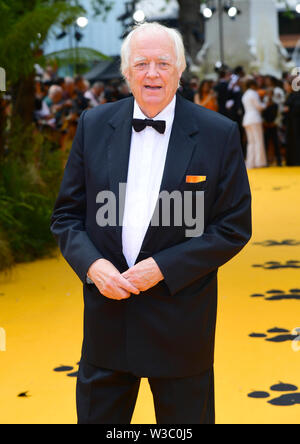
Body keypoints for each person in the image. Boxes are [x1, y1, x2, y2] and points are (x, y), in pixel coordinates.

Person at [50, 22, 252, 425]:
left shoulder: (218, 134)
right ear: (126, 72)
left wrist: (164, 268)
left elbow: (232, 226)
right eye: (141, 64)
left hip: (181, 325)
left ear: (180, 70)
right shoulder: (93, 125)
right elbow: (67, 216)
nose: (152, 74)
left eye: (163, 63)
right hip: (107, 321)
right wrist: (92, 266)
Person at [242, 78, 267, 169]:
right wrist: (266, 104)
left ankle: (250, 163)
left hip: (247, 119)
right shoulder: (253, 93)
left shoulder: (245, 95)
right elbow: (259, 106)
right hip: (255, 118)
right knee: (258, 141)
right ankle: (259, 162)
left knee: (251, 142)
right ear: (252, 85)